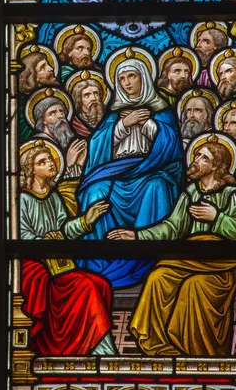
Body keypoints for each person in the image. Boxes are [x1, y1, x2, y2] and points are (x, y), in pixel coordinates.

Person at [108, 137, 236, 356]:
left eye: (204, 158)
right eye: (197, 155)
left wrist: (217, 218)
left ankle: (198, 352)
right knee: (157, 277)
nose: (196, 161)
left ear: (217, 166)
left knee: (195, 287)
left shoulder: (233, 193)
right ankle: (158, 345)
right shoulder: (191, 193)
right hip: (189, 255)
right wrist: (136, 235)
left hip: (220, 263)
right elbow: (171, 228)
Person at [76, 52, 183, 287]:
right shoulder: (113, 113)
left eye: (132, 76)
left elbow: (171, 148)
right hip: (115, 171)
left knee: (157, 187)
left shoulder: (162, 110)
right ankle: (100, 264)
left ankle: (152, 261)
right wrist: (124, 124)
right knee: (95, 191)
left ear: (144, 77)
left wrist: (148, 124)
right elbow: (97, 147)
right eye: (121, 78)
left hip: (150, 170)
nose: (127, 83)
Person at [19, 141, 115, 356]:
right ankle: (102, 349)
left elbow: (64, 230)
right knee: (86, 286)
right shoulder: (22, 199)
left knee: (100, 284)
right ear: (30, 169)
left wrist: (85, 221)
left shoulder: (53, 197)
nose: (50, 164)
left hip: (58, 264)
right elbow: (22, 235)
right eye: (42, 162)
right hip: (36, 266)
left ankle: (88, 342)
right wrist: (44, 240)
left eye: (50, 160)